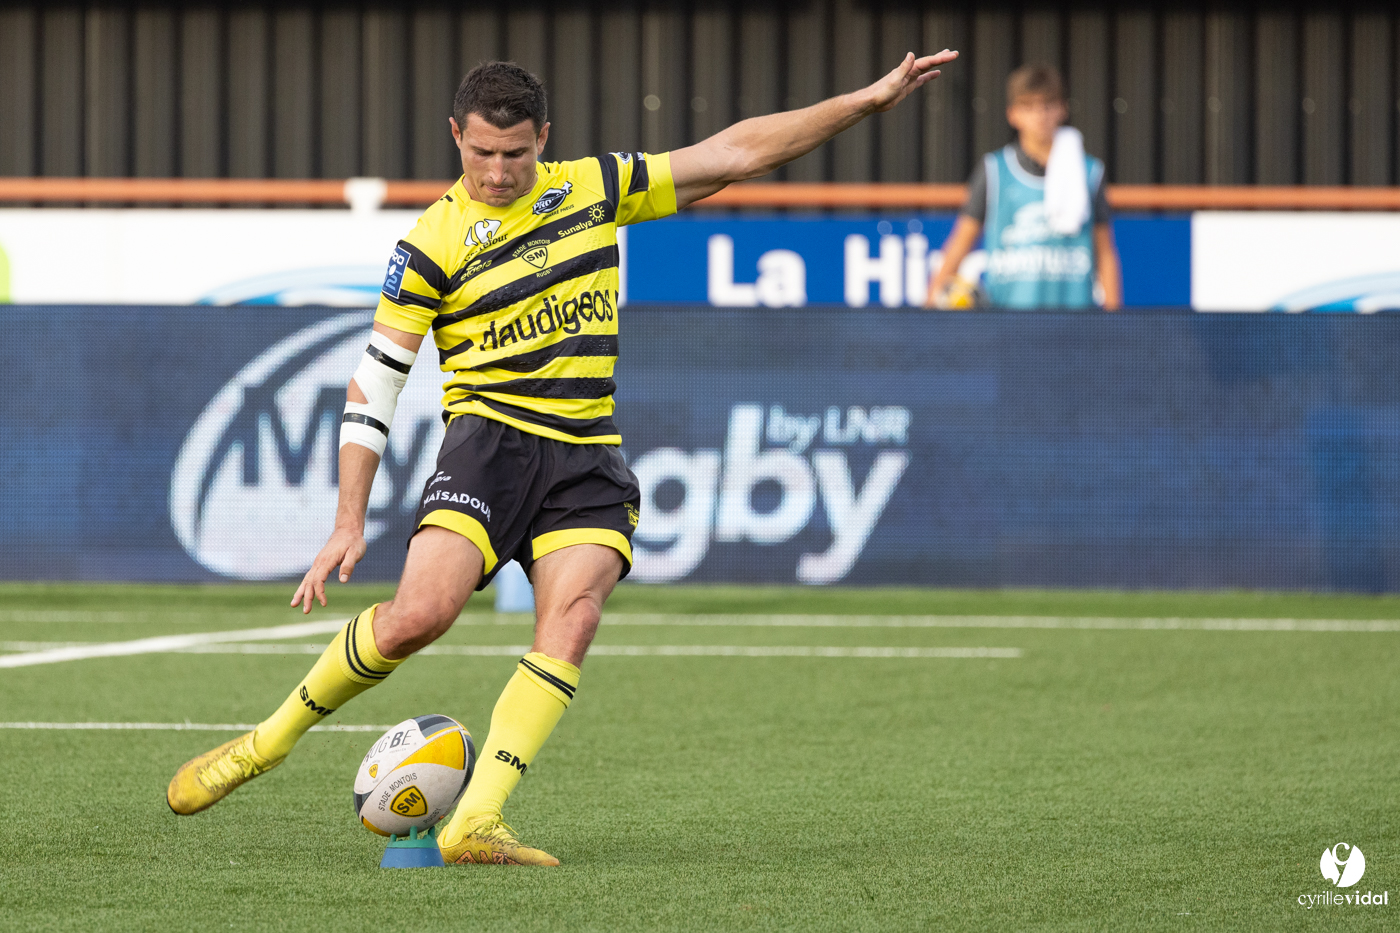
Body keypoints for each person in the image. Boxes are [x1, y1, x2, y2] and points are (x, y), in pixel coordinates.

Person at [166, 51, 959, 866]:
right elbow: (376, 383)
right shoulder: (430, 242)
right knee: (419, 616)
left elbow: (736, 153)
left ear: (543, 138)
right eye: (481, 153)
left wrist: (866, 101)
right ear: (455, 137)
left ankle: (477, 820)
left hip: (585, 452)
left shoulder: (593, 188)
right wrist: (345, 518)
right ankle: (265, 743)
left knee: (574, 616)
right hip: (488, 447)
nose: (499, 171)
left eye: (516, 154)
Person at [927, 63, 1122, 310]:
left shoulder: (1090, 172)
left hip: (1074, 322)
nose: (1040, 115)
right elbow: (960, 243)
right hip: (1008, 322)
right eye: (1029, 106)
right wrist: (928, 309)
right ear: (1013, 113)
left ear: (1063, 109)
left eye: (1048, 106)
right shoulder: (994, 170)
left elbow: (1105, 251)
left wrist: (1115, 319)